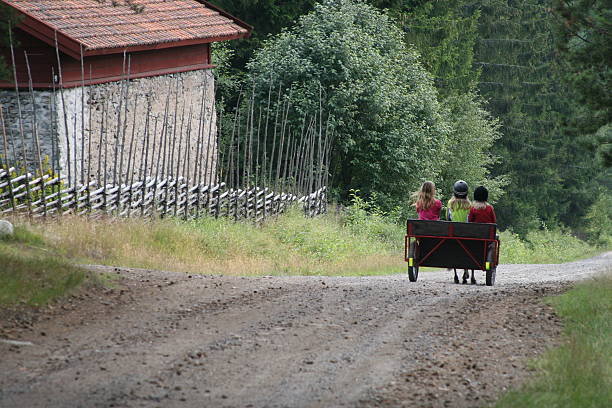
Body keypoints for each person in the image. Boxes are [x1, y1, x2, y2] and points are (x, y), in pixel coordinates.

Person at [447, 180, 471, 284]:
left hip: (453, 235)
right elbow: (469, 220)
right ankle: (466, 270)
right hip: (465, 235)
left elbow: (448, 218)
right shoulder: (469, 205)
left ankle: (456, 274)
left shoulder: (450, 203)